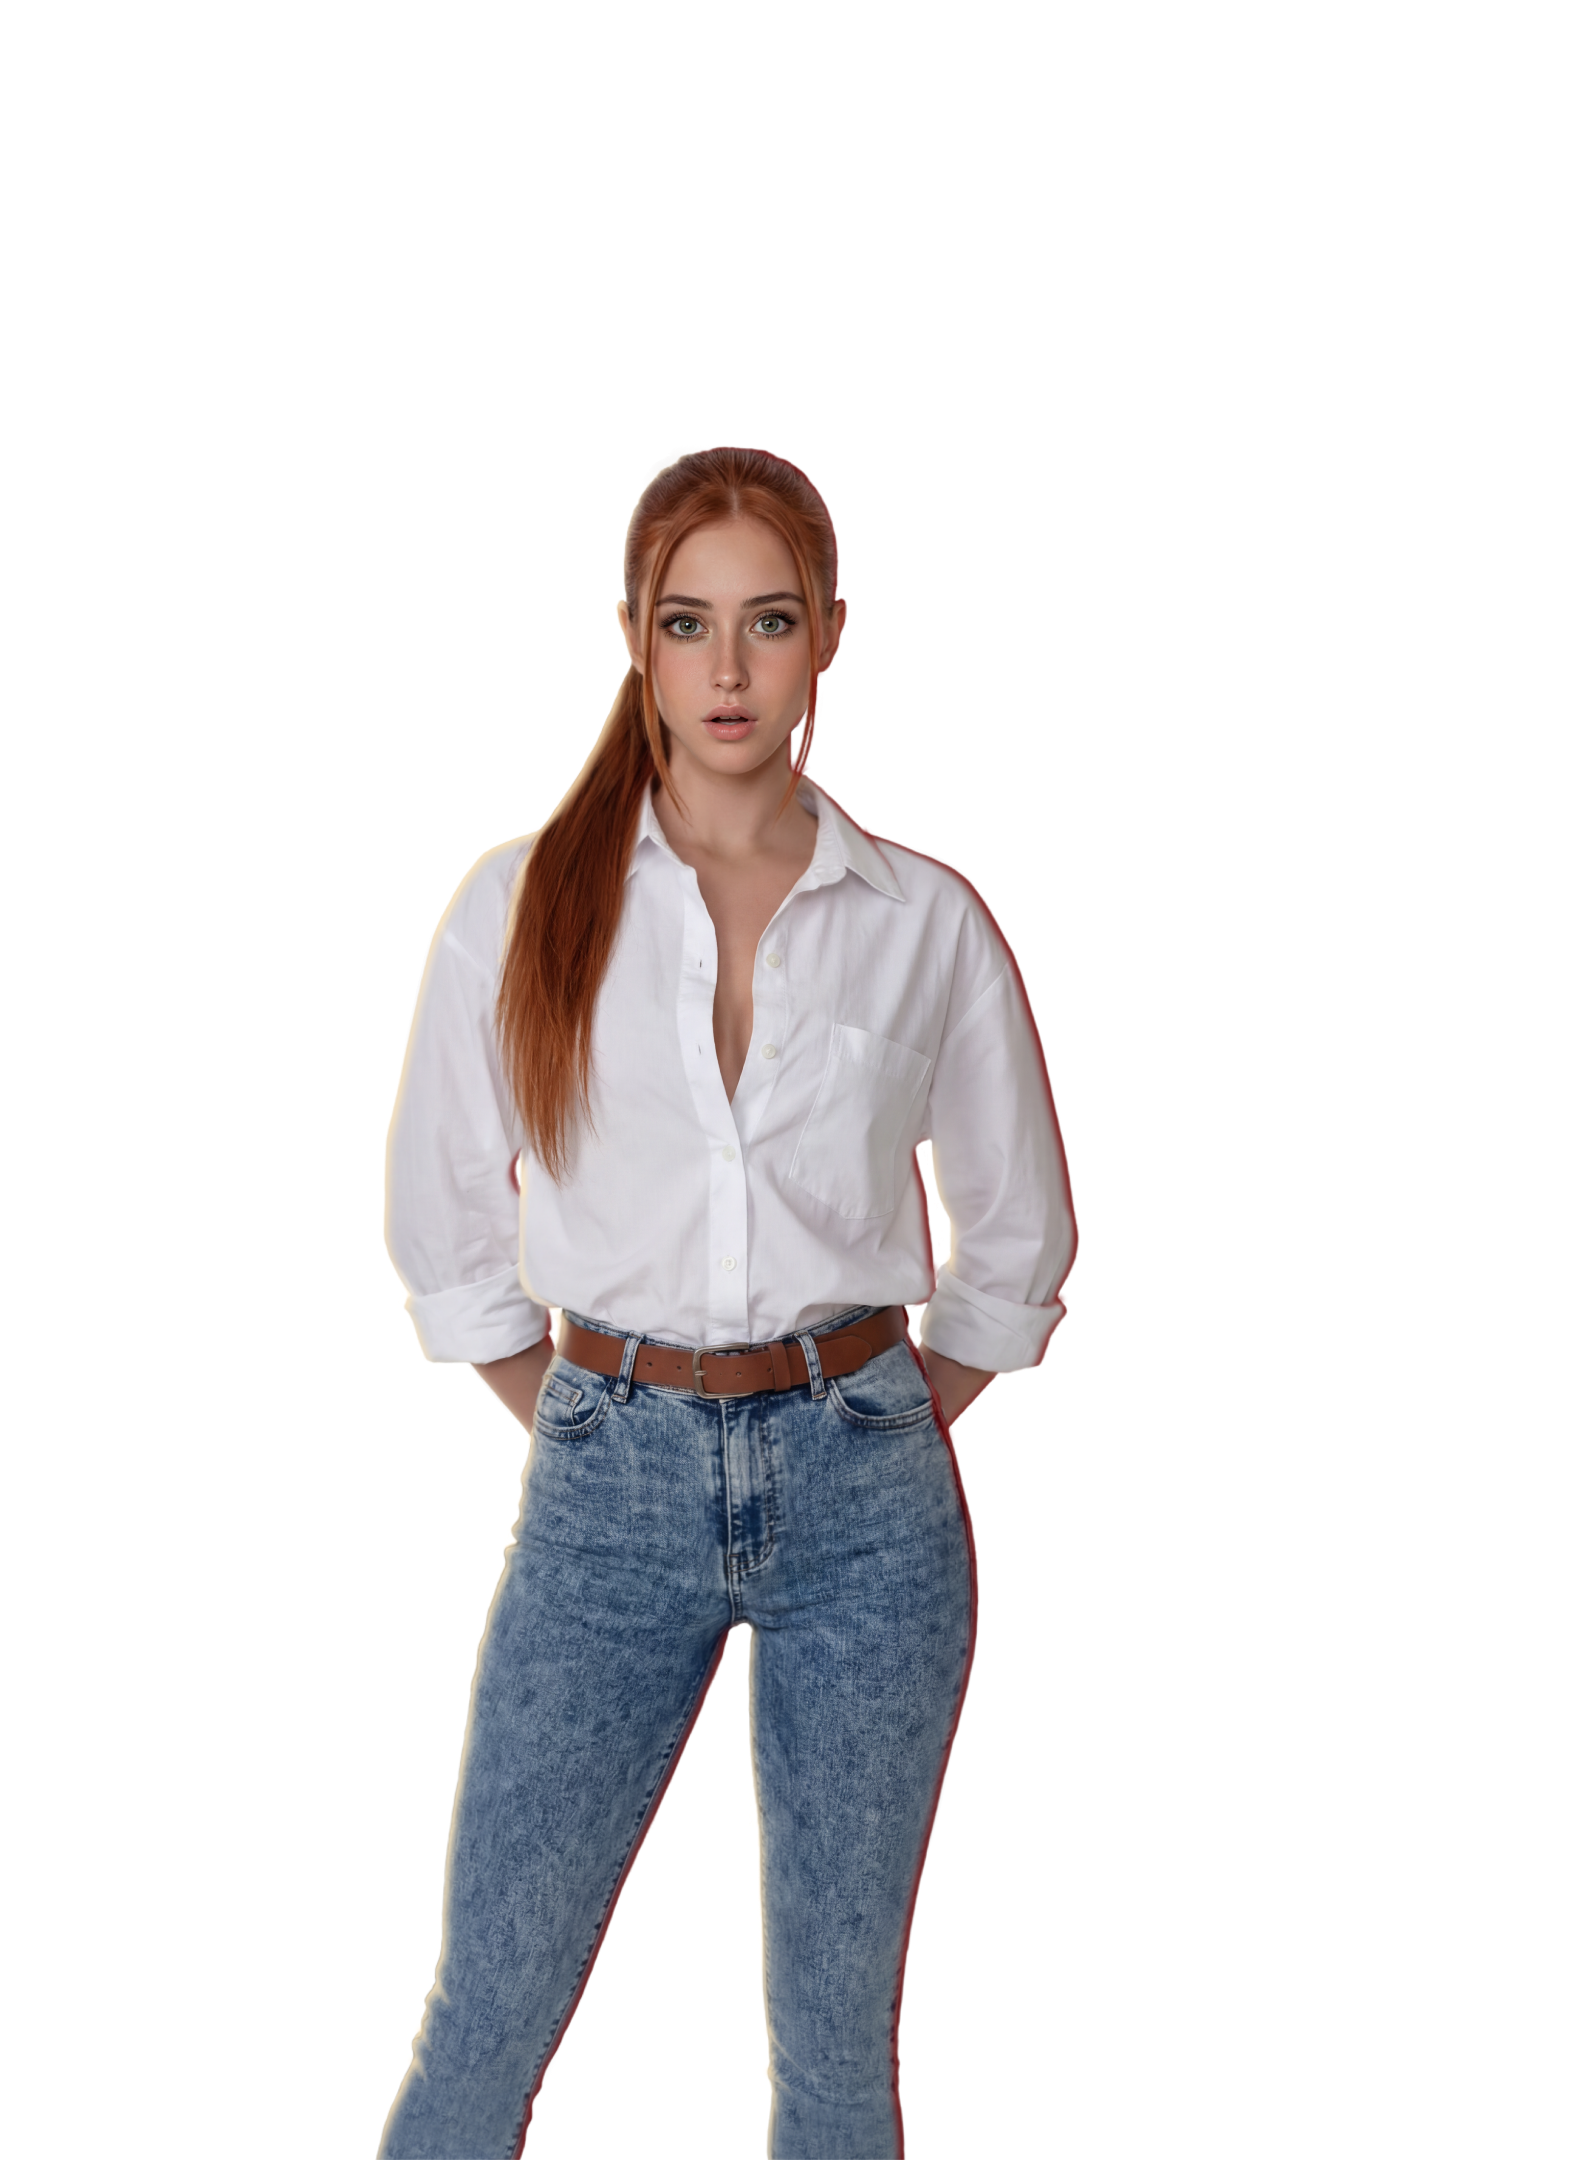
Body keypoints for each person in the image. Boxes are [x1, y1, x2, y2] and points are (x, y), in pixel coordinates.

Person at [373, 444, 1074, 2158]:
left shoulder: (924, 921)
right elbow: (440, 1231)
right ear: (635, 635)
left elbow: (1019, 1237)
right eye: (689, 622)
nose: (732, 667)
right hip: (602, 1496)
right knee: (480, 2028)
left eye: (771, 619)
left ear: (830, 633)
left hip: (868, 1512)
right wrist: (589, 1413)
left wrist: (878, 1414)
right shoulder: (515, 901)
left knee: (835, 2064)